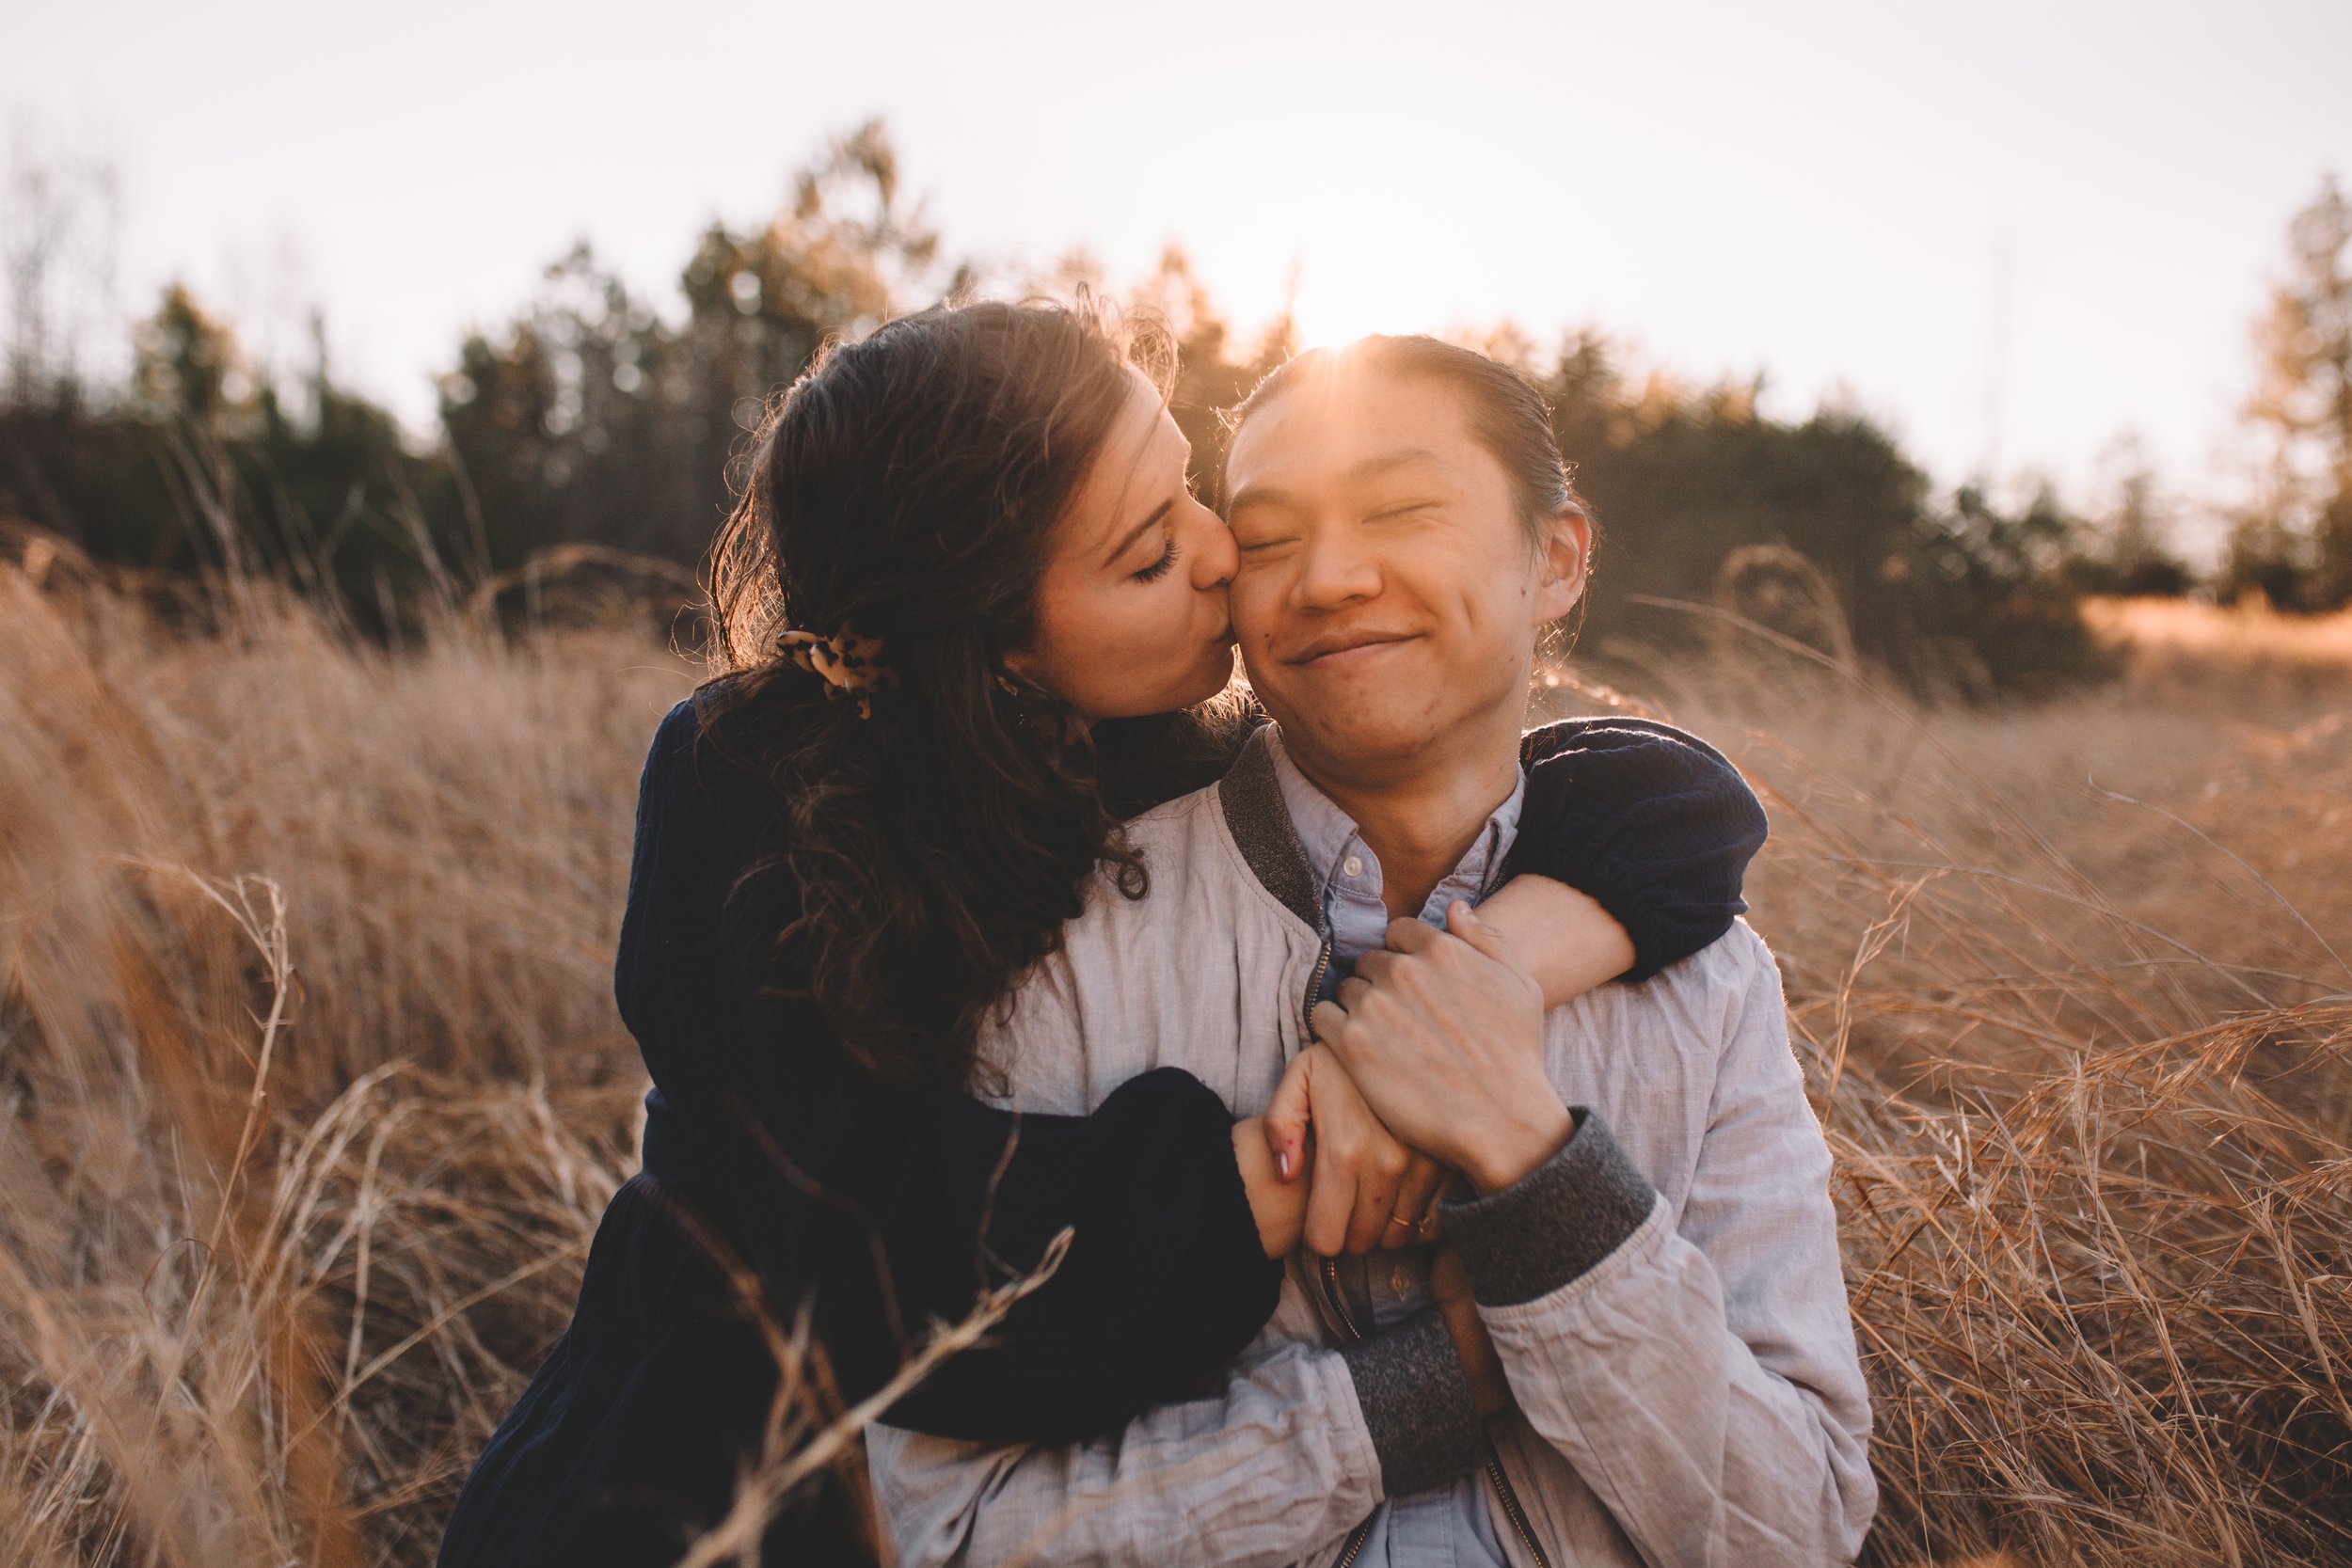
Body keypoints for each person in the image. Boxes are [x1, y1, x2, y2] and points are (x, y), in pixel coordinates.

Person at [436, 304, 1770, 1568]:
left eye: (1190, 487)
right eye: (1146, 554)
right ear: (996, 649)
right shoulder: (750, 781)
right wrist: (1280, 1163)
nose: (1218, 553)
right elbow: (864, 1252)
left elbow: (1678, 805)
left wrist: (1463, 998)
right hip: (704, 1485)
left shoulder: (1154, 742)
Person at [866, 334, 1875, 1567]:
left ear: (1553, 561)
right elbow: (956, 1539)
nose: (1332, 577)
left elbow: (1800, 1530)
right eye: (1272, 536)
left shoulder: (1708, 984)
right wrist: (1409, 1399)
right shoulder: (1064, 945)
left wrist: (1531, 1164)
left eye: (1401, 510)